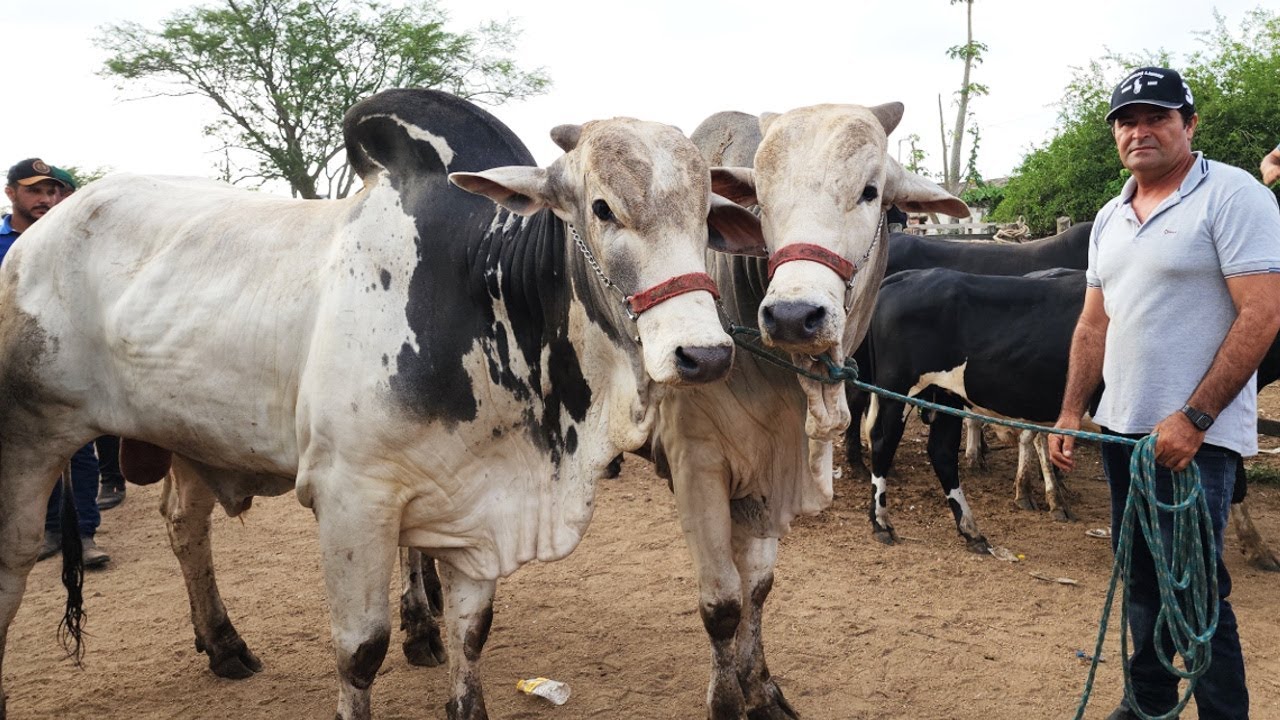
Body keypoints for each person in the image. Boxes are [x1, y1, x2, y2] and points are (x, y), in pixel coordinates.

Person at [1048, 67, 1280, 720]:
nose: (1140, 131)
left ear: (1189, 124)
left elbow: (1262, 313)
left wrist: (1195, 417)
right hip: (1124, 432)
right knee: (1144, 582)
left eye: (1157, 117)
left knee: (1196, 594)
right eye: (1127, 120)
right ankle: (1145, 703)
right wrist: (1071, 411)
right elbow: (1094, 324)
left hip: (1192, 441)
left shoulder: (1234, 196)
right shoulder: (1110, 216)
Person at [2, 158, 111, 568]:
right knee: (22, 455)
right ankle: (45, 530)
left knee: (77, 452)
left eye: (51, 192)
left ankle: (82, 535)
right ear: (11, 192)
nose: (46, 199)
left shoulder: (71, 241)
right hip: (9, 368)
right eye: (35, 191)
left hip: (61, 365)